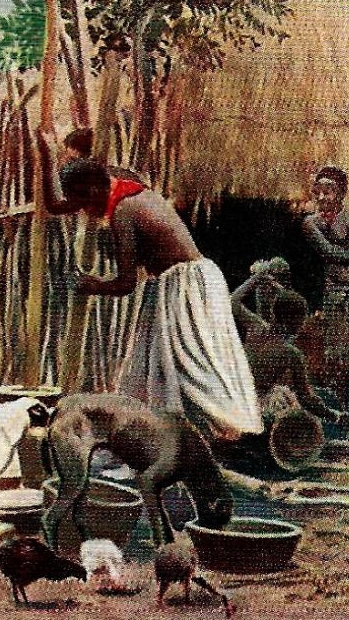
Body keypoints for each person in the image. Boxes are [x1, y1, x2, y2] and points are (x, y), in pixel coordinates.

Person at [39, 156, 262, 441]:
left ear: (95, 188)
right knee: (150, 370)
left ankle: (229, 436)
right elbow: (57, 205)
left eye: (83, 200)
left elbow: (125, 283)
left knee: (198, 370)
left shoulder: (124, 211)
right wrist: (45, 157)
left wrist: (91, 283)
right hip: (175, 285)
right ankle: (158, 437)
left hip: (187, 288)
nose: (82, 209)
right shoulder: (119, 183)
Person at [233, 287, 349, 429]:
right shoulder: (291, 354)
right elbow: (306, 399)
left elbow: (233, 301)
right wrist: (336, 417)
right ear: (292, 320)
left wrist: (256, 278)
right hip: (253, 409)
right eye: (301, 320)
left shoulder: (256, 326)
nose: (302, 325)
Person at [303, 166, 349, 411]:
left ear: (341, 193)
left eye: (329, 191)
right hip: (335, 295)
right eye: (318, 191)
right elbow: (330, 253)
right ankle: (338, 411)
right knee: (334, 356)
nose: (321, 197)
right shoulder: (311, 223)